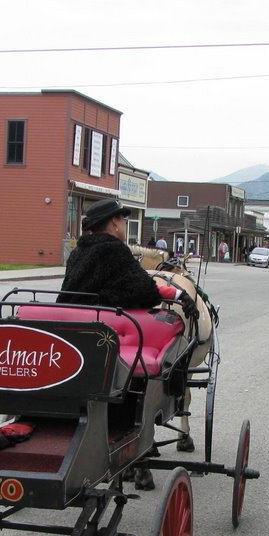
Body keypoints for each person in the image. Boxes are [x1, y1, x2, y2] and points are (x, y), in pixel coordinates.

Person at [59, 198, 198, 486]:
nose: (124, 225)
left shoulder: (78, 253)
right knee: (165, 355)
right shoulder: (115, 252)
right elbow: (144, 291)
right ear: (113, 223)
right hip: (104, 339)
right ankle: (136, 431)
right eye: (123, 220)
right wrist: (174, 295)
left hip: (75, 334)